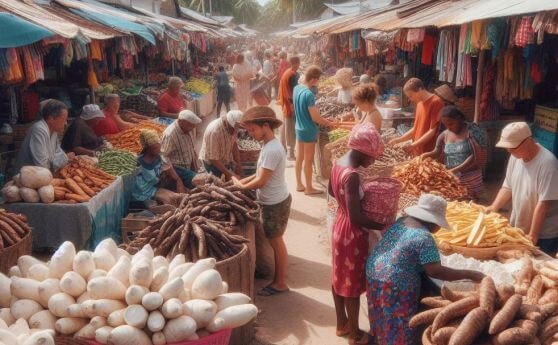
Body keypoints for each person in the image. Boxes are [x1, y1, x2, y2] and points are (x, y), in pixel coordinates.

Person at [366, 194, 485, 344]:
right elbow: (435, 271)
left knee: (382, 316)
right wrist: (471, 273)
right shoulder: (424, 237)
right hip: (395, 284)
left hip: (374, 272)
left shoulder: (401, 221)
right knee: (397, 324)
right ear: (432, 222)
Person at [328, 123, 386, 345]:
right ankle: (355, 333)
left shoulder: (337, 164)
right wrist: (382, 225)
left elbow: (331, 191)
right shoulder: (351, 175)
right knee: (351, 284)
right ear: (361, 151)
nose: (372, 162)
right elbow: (357, 217)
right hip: (352, 232)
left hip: (338, 226)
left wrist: (346, 200)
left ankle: (341, 323)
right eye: (371, 157)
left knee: (338, 276)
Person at [233, 106, 291, 297]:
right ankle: (279, 279)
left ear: (265, 126)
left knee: (276, 241)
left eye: (253, 129)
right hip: (272, 200)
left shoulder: (272, 150)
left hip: (275, 203)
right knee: (276, 240)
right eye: (249, 130)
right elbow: (258, 174)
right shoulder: (268, 146)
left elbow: (262, 181)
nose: (251, 133)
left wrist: (241, 187)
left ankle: (280, 283)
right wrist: (241, 181)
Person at [486, 122, 558, 254]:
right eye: (508, 148)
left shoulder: (548, 164)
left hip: (543, 234)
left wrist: (533, 235)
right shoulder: (516, 157)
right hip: (520, 227)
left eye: (513, 148)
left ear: (528, 141)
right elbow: (508, 186)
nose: (510, 152)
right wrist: (493, 207)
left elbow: (543, 203)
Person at [421, 106, 486, 199]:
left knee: (470, 206)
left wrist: (455, 170)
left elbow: (474, 156)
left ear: (459, 119)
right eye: (446, 124)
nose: (449, 127)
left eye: (451, 124)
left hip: (470, 178)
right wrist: (425, 155)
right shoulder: (444, 135)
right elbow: (436, 151)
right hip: (452, 178)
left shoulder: (472, 132)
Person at [293, 66, 337, 194]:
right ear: (313, 79)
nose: (316, 83)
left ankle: (299, 184)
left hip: (298, 127)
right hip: (308, 129)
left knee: (299, 158)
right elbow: (315, 117)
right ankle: (309, 188)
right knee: (308, 159)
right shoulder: (309, 94)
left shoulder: (297, 89)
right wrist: (329, 123)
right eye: (317, 80)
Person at [389, 78, 444, 155]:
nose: (410, 99)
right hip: (417, 151)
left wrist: (413, 145)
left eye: (411, 96)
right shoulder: (419, 104)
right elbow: (415, 128)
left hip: (429, 151)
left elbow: (432, 131)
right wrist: (398, 140)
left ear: (420, 89)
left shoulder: (436, 102)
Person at [15, 99, 73, 172]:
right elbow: (42, 165)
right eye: (64, 119)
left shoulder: (54, 131)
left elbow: (57, 154)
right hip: (27, 177)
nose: (65, 123)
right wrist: (65, 158)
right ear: (50, 119)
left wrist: (66, 157)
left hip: (43, 175)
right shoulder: (39, 130)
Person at [132, 130, 186, 207]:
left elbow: (176, 177)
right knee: (169, 202)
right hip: (141, 193)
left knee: (176, 198)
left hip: (153, 189)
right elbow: (138, 187)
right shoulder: (138, 163)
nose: (158, 150)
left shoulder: (160, 158)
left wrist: (179, 185)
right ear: (147, 148)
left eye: (159, 147)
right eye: (154, 148)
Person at [161, 110, 202, 190]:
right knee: (199, 184)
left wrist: (195, 168)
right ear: (182, 122)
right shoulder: (170, 134)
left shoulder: (187, 129)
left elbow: (192, 149)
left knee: (198, 183)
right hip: (177, 169)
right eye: (191, 125)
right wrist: (177, 179)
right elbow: (163, 158)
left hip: (187, 167)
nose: (193, 127)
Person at [199, 110, 243, 180]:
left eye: (237, 129)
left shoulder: (232, 128)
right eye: (234, 129)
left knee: (229, 179)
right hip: (212, 164)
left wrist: (238, 163)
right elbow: (212, 158)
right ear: (228, 124)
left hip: (224, 159)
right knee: (218, 182)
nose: (235, 131)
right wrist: (229, 174)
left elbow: (233, 143)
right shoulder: (214, 131)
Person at [277, 56, 301, 161]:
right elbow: (293, 92)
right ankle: (290, 153)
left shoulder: (287, 72)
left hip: (286, 104)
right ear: (297, 63)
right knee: (290, 128)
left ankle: (283, 148)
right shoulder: (292, 75)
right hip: (290, 104)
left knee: (286, 127)